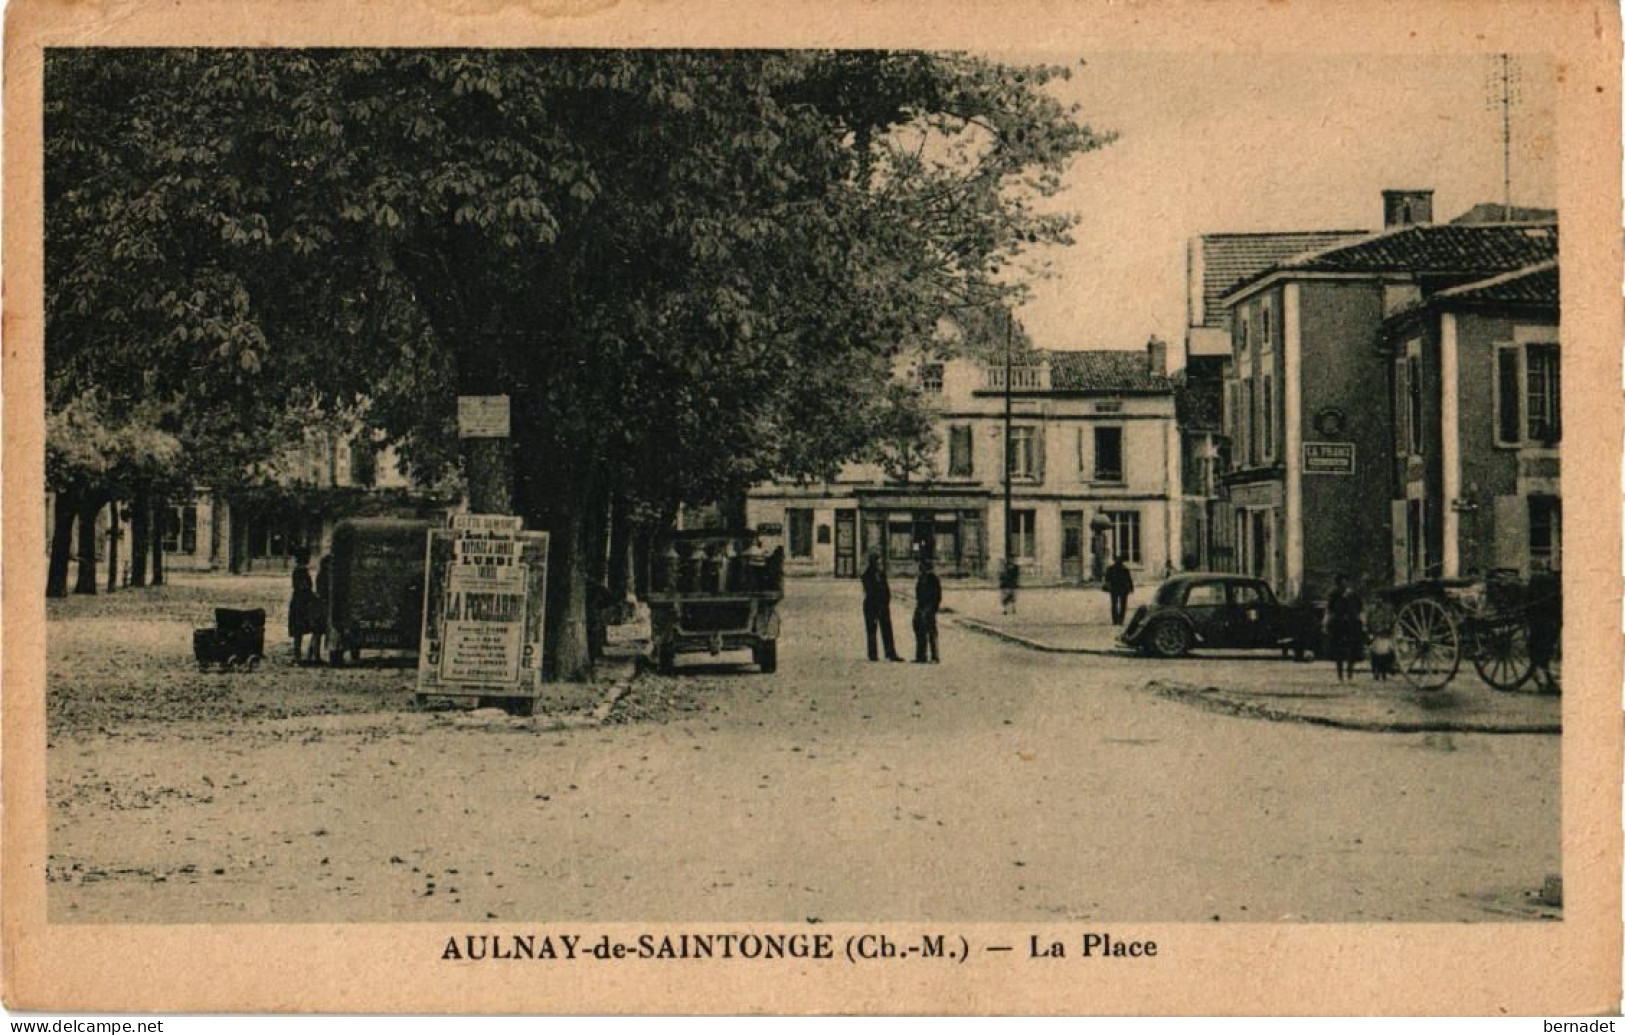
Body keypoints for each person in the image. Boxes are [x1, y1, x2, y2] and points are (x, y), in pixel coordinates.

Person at [861, 551, 904, 662]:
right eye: (877, 562)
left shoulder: (881, 574)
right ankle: (873, 654)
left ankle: (890, 653)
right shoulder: (866, 575)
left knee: (887, 630)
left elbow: (886, 589)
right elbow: (870, 592)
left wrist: (886, 602)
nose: (879, 564)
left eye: (879, 562)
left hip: (883, 606)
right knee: (871, 630)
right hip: (872, 606)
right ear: (872, 563)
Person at [1324, 573, 1364, 682]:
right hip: (1339, 626)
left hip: (1351, 625)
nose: (1344, 584)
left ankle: (1350, 673)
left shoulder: (1354, 595)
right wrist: (1327, 623)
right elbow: (1329, 609)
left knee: (1352, 651)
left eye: (1345, 581)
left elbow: (1360, 609)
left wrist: (1361, 622)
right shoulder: (1334, 594)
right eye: (1341, 582)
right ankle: (1340, 675)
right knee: (1339, 652)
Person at [288, 551, 317, 663]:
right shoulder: (301, 571)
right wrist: (313, 597)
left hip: (298, 602)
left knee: (298, 631)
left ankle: (300, 655)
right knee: (302, 629)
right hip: (302, 603)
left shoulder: (298, 570)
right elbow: (304, 587)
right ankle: (301, 655)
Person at [913, 559, 942, 664]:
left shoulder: (933, 578)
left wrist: (932, 608)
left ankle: (935, 657)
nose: (920, 568)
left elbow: (937, 596)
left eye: (922, 566)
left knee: (931, 632)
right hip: (921, 606)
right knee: (919, 629)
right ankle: (921, 656)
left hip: (930, 607)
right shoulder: (921, 578)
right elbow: (918, 593)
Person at [309, 554, 333, 664]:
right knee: (318, 631)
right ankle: (315, 655)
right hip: (321, 605)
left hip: (319, 604)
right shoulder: (325, 576)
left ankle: (312, 653)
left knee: (317, 631)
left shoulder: (322, 575)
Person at [1104, 555, 1135, 626]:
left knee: (1116, 605)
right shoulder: (1124, 569)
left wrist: (1131, 588)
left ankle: (1116, 620)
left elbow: (1107, 579)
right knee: (1120, 605)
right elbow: (1129, 580)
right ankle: (1119, 620)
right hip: (1121, 589)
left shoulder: (1111, 569)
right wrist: (1131, 588)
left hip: (1116, 589)